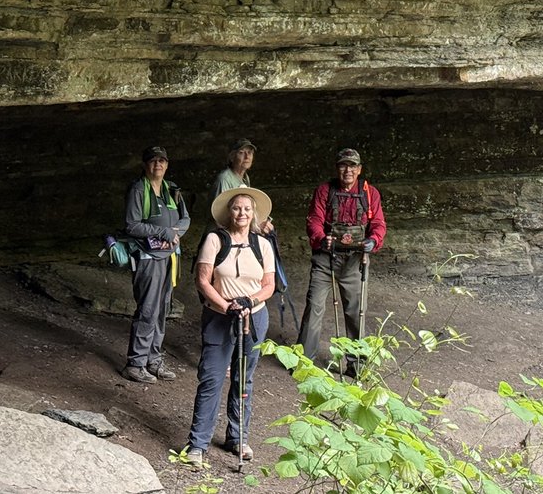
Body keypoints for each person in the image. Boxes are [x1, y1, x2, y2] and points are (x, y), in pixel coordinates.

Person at [183, 186, 276, 468]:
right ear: (229, 212)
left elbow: (269, 285)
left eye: (247, 209)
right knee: (211, 377)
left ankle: (237, 437)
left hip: (253, 316)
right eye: (236, 208)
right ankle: (198, 443)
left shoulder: (263, 245)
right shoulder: (214, 239)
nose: (242, 213)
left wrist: (250, 301)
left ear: (254, 214)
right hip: (219, 315)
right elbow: (202, 280)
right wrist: (226, 306)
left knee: (243, 378)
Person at [297, 148, 386, 370]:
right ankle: (303, 362)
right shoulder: (324, 191)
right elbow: (314, 221)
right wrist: (321, 238)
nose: (348, 170)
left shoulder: (369, 193)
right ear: (337, 168)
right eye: (343, 165)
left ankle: (356, 366)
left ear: (359, 169)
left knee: (356, 312)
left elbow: (378, 224)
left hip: (355, 260)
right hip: (326, 258)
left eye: (352, 166)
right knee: (314, 307)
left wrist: (373, 241)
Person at [123, 145, 190, 384]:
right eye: (153, 161)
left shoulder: (172, 189)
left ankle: (154, 359)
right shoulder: (138, 189)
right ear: (145, 164)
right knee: (148, 309)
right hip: (148, 258)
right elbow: (132, 225)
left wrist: (176, 232)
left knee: (162, 309)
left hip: (170, 257)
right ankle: (135, 363)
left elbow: (186, 218)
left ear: (167, 165)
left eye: (162, 161)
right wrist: (164, 232)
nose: (158, 165)